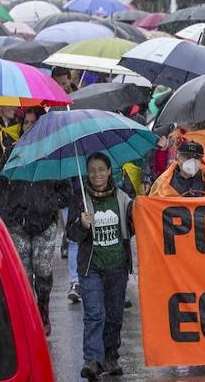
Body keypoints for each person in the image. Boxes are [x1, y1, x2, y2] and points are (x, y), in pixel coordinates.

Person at [0, 109, 70, 336]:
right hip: (17, 222)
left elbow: (67, 192)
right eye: (27, 122)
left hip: (44, 222)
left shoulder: (54, 155)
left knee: (42, 271)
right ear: (21, 126)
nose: (30, 126)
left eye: (35, 122)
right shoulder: (13, 152)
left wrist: (49, 203)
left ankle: (42, 308)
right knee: (22, 274)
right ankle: (26, 316)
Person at [67, 153, 135, 380]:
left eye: (101, 169)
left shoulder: (123, 197)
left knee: (114, 315)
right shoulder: (80, 199)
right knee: (95, 314)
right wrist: (82, 224)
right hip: (91, 268)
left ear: (108, 171)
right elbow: (72, 234)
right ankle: (92, 360)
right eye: (92, 170)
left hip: (117, 267)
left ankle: (110, 357)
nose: (96, 174)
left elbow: (132, 228)